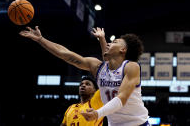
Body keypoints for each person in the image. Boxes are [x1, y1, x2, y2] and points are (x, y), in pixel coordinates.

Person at [19, 26, 149, 126]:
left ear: (123, 50)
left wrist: (98, 113)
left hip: (138, 123)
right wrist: (41, 40)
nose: (109, 43)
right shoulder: (98, 67)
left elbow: (122, 98)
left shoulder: (131, 67)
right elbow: (66, 54)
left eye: (114, 42)